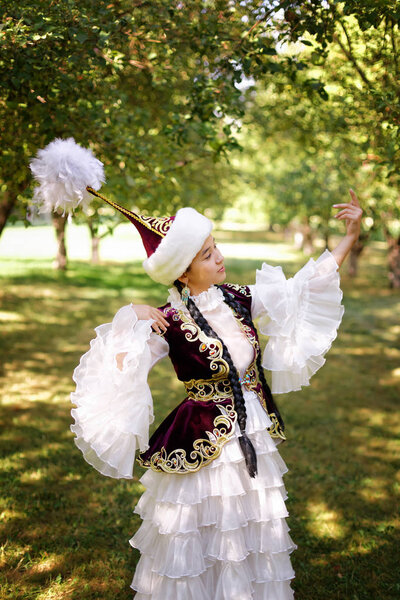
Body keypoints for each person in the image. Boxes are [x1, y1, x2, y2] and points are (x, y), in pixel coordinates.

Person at [69, 185, 363, 599]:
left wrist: (349, 237)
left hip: (252, 432)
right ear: (183, 273)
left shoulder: (239, 299)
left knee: (252, 526)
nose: (219, 257)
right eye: (207, 254)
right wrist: (128, 319)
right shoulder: (168, 321)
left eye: (215, 246)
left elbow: (303, 287)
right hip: (202, 439)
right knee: (198, 529)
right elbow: (122, 366)